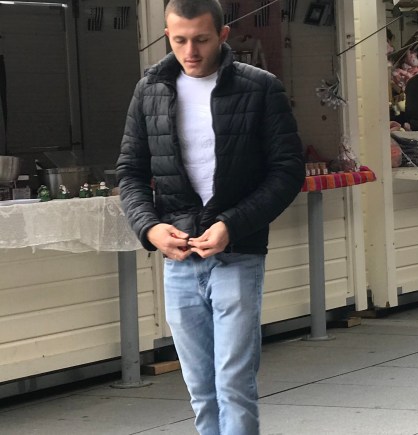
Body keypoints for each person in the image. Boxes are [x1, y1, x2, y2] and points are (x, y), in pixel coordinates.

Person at [116, 0, 306, 433]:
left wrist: (232, 225)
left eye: (201, 39)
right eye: (179, 40)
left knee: (234, 384)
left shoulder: (260, 88)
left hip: (237, 251)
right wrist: (149, 228)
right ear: (167, 35)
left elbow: (287, 171)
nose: (191, 50)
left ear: (223, 35)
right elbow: (129, 172)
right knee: (200, 389)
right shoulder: (149, 89)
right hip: (179, 257)